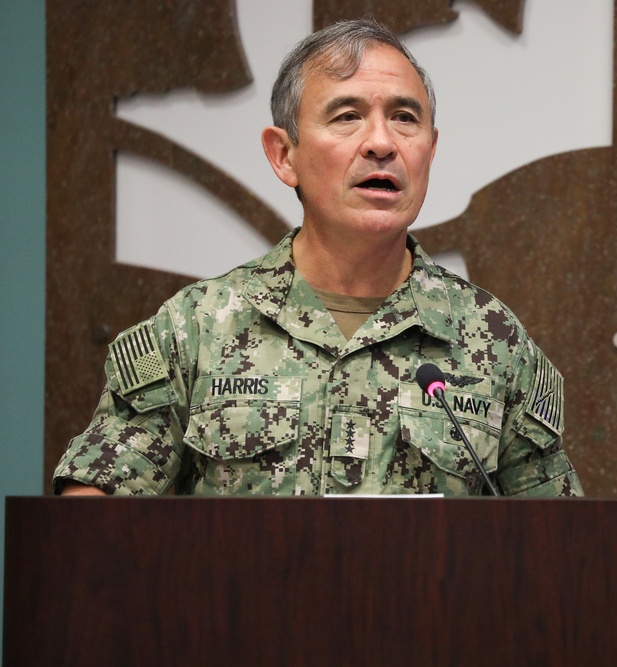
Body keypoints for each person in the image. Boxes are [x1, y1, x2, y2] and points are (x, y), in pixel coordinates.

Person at [54, 18, 583, 497]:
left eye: (404, 118)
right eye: (348, 116)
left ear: (430, 149)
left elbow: (554, 548)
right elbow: (93, 513)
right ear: (285, 156)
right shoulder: (198, 326)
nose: (381, 142)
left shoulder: (492, 339)